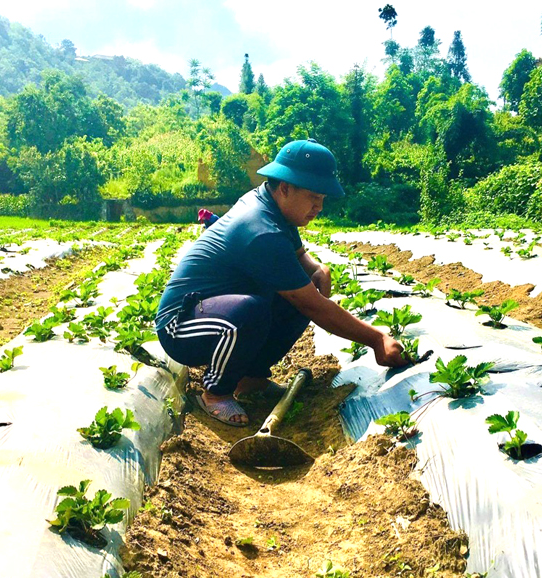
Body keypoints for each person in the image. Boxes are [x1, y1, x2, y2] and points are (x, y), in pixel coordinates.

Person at [155, 139, 408, 426]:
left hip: (217, 311)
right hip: (181, 325)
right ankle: (215, 392)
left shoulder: (275, 209)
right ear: (285, 188)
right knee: (253, 312)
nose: (319, 207)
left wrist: (317, 269)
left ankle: (250, 379)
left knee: (286, 298)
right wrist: (377, 339)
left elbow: (301, 259)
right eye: (313, 196)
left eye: (323, 199)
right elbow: (315, 307)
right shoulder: (260, 228)